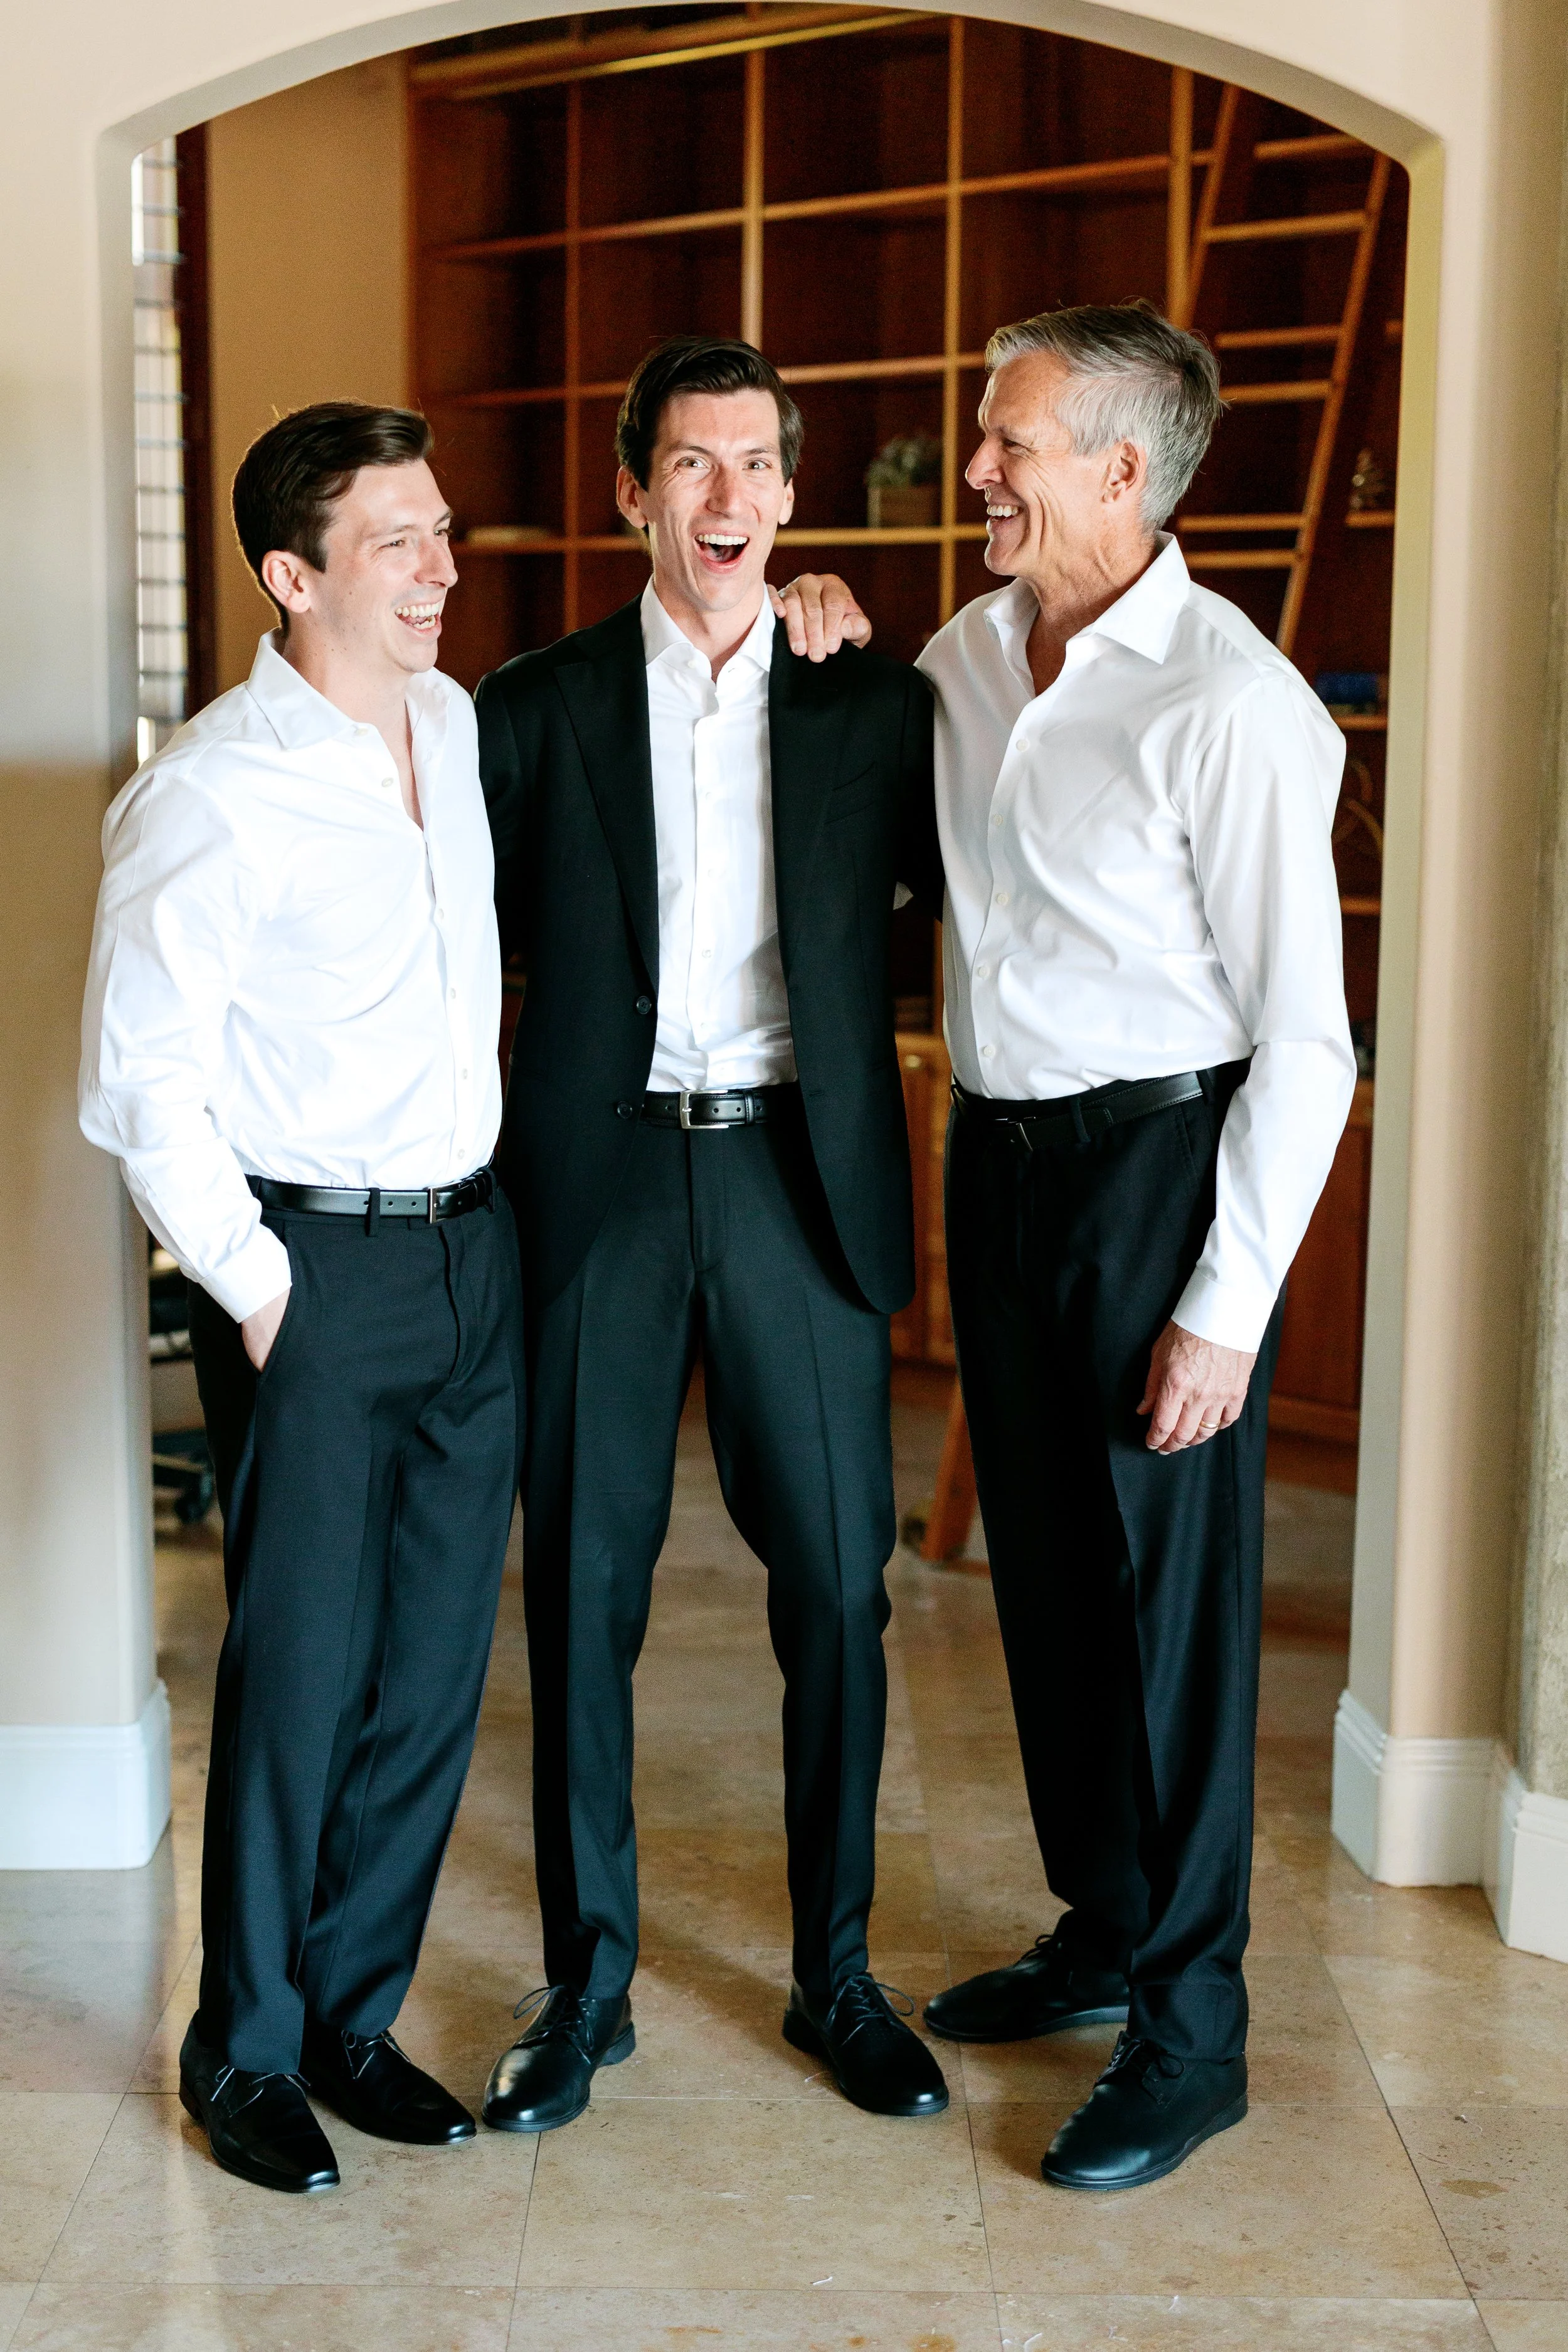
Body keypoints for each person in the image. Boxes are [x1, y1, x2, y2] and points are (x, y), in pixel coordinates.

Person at [898, 301, 1356, 2188]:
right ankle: (1100, 1923)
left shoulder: (1231, 705)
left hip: (1156, 1179)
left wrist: (1224, 1310)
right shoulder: (961, 652)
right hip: (994, 1162)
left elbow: (1310, 1041)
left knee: (1167, 1619)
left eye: (1005, 441)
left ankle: (1192, 2029)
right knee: (1049, 1587)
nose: (975, 468)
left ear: (1119, 469)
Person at [473, 336, 948, 2134]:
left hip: (789, 1180)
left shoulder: (870, 703)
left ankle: (837, 1972)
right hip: (591, 1187)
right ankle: (586, 1981)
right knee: (582, 1594)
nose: (728, 497)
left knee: (833, 1585)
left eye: (755, 465)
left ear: (794, 495)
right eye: (690, 465)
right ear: (630, 492)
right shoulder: (532, 705)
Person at [79, 403, 526, 2195]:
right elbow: (139, 1078)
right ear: (293, 574)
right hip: (314, 1270)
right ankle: (244, 2046)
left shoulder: (457, 724)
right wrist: (264, 1292)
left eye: (443, 531)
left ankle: (353, 2015)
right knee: (299, 1677)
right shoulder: (208, 788)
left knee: (426, 1673)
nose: (440, 566)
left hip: (471, 1255)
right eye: (400, 539)